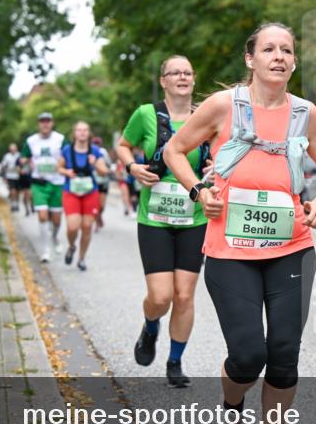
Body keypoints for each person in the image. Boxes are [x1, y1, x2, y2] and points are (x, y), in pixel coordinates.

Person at [164, 23, 316, 424]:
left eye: (287, 50)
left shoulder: (306, 114)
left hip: (292, 248)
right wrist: (199, 190)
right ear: (251, 59)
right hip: (230, 249)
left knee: (284, 354)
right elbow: (175, 150)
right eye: (269, 49)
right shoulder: (224, 106)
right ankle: (231, 409)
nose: (278, 56)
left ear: (294, 62)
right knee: (247, 356)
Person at [116, 55, 212, 388]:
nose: (182, 77)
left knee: (184, 296)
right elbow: (124, 146)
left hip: (194, 217)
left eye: (187, 72)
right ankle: (151, 325)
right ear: (164, 81)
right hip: (154, 218)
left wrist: (215, 169)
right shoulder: (145, 114)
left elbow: (222, 155)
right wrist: (132, 167)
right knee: (161, 297)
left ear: (194, 79)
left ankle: (175, 361)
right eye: (175, 73)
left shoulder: (207, 116)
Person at [59, 122, 110, 271]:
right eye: (79, 130)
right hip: (71, 191)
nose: (82, 133)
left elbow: (103, 171)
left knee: (87, 227)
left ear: (89, 133)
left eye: (85, 130)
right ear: (74, 133)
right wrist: (66, 172)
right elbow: (59, 167)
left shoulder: (95, 151)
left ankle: (81, 258)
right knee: (73, 226)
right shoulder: (67, 150)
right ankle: (71, 246)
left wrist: (95, 164)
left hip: (90, 192)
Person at [21, 112, 66, 262]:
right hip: (38, 183)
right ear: (39, 124)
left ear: (52, 123)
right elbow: (23, 157)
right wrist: (26, 162)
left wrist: (62, 164)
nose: (45, 124)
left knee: (57, 220)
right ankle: (46, 250)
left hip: (56, 183)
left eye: (48, 121)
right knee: (42, 216)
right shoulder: (31, 141)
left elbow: (67, 156)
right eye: (42, 121)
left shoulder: (60, 139)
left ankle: (54, 237)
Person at [92, 136, 110, 230]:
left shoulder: (103, 152)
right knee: (95, 203)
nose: (96, 145)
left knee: (101, 206)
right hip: (93, 181)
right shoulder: (89, 151)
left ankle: (99, 216)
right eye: (95, 143)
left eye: (97, 143)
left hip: (103, 181)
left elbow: (108, 165)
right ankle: (96, 221)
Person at [1, 144, 22, 211]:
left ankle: (17, 203)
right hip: (10, 176)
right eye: (11, 149)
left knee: (18, 191)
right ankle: (13, 204)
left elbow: (23, 164)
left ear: (16, 149)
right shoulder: (7, 156)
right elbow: (3, 166)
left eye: (14, 149)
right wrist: (4, 176)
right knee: (12, 190)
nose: (13, 150)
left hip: (19, 176)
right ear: (9, 150)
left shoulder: (19, 155)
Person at [16, 151, 33, 216]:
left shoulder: (32, 157)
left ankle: (32, 205)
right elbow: (17, 169)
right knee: (26, 194)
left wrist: (29, 161)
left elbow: (33, 167)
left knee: (31, 194)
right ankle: (27, 209)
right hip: (23, 179)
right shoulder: (19, 159)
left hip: (31, 178)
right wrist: (21, 170)